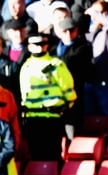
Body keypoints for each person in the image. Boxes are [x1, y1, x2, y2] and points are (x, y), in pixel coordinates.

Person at [18, 33, 76, 162]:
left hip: (52, 117)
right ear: (29, 47)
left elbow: (68, 90)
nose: (40, 47)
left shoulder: (56, 64)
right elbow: (24, 93)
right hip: (32, 118)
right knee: (35, 153)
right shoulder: (25, 66)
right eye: (36, 45)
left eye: (42, 44)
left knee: (52, 153)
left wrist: (66, 107)